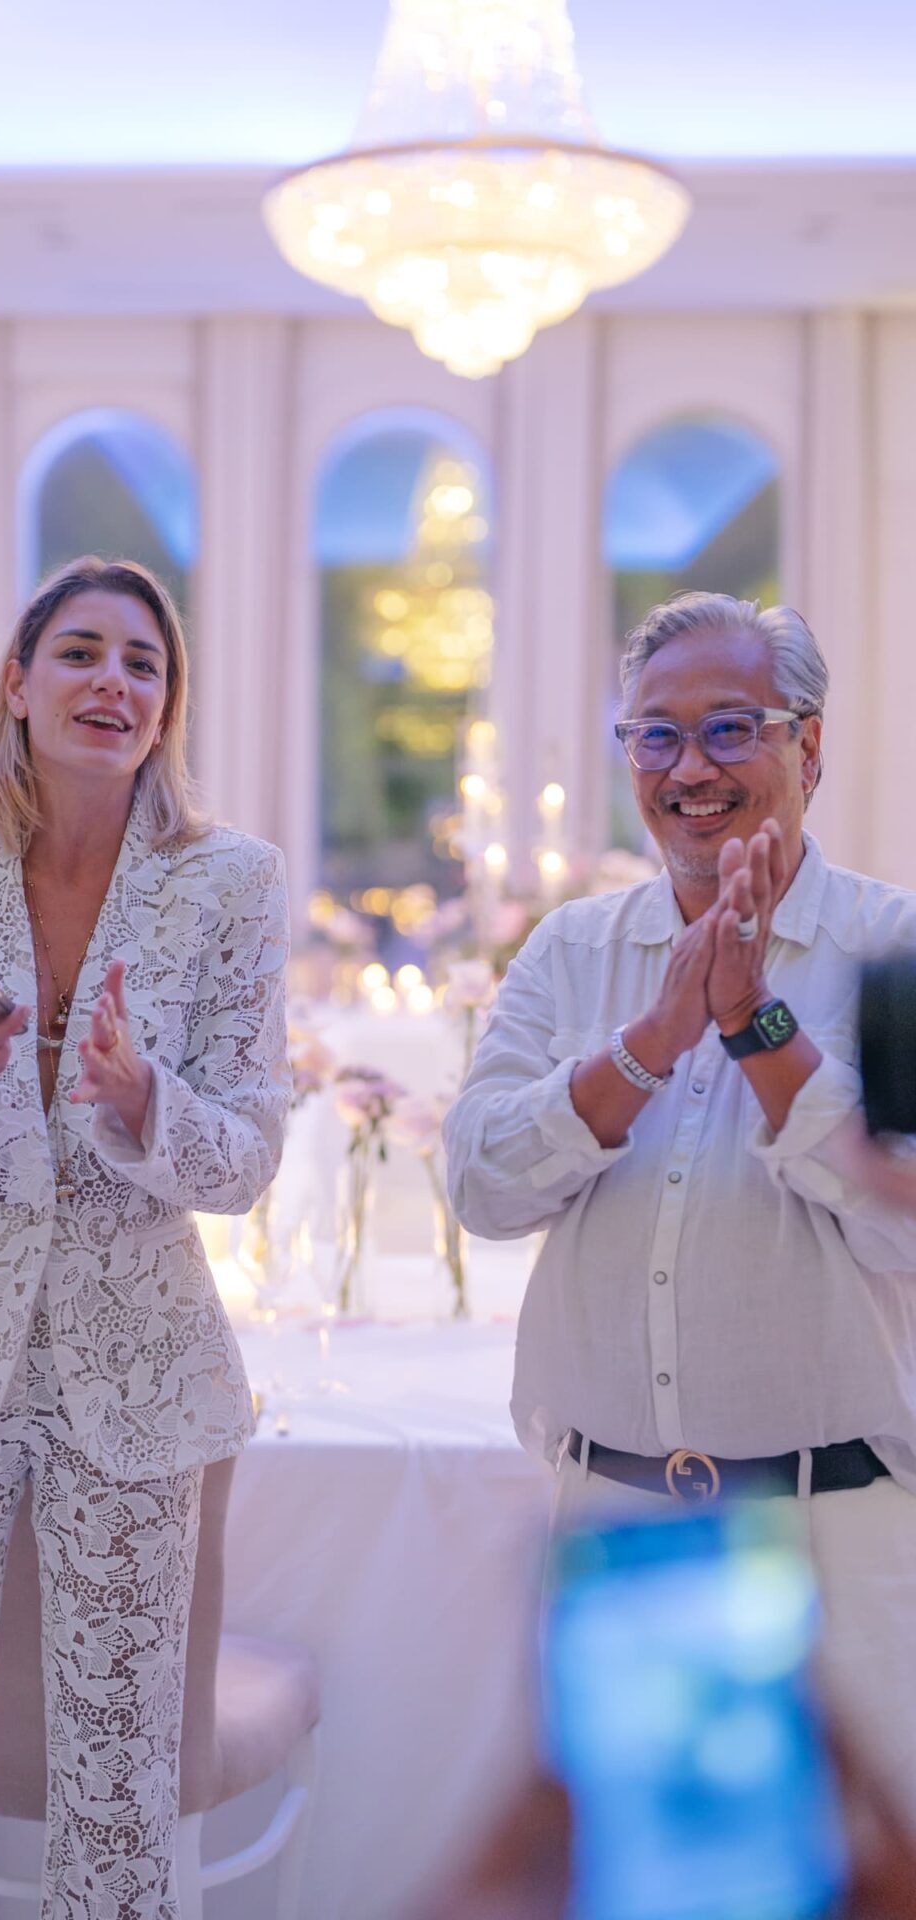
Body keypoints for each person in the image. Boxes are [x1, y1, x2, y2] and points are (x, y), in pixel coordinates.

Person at [0, 555, 290, 1919]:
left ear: (165, 708)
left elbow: (250, 1157)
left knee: (121, 1780)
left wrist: (148, 1102)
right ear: (18, 685)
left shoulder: (233, 882)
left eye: (144, 663)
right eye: (80, 652)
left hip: (138, 1375)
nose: (112, 682)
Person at [444, 590, 916, 1822]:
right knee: (629, 1876)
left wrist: (754, 1024)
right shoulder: (570, 953)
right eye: (655, 735)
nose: (688, 768)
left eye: (728, 728)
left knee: (851, 1879)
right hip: (613, 1531)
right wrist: (652, 1037)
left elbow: (903, 1223)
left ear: (808, 747)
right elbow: (482, 1187)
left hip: (836, 1534)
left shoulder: (894, 949)